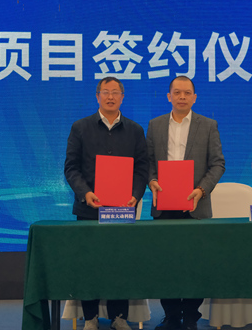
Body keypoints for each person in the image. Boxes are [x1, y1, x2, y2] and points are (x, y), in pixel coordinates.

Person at [64, 76, 149, 330]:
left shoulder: (135, 130)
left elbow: (142, 169)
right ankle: (90, 317)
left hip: (122, 210)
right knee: (89, 264)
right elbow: (71, 168)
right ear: (97, 96)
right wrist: (85, 193)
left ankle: (118, 316)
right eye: (105, 92)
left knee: (120, 264)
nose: (110, 96)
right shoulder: (80, 127)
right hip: (89, 209)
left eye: (115, 92)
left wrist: (136, 194)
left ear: (123, 97)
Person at [146, 75, 226, 330]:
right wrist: (152, 181)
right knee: (166, 263)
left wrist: (201, 190)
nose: (182, 97)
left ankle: (191, 316)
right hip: (164, 205)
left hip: (196, 206)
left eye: (187, 92)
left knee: (195, 263)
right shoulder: (155, 125)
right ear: (168, 96)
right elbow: (148, 162)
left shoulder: (209, 125)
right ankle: (171, 315)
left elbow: (218, 164)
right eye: (177, 92)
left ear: (194, 97)